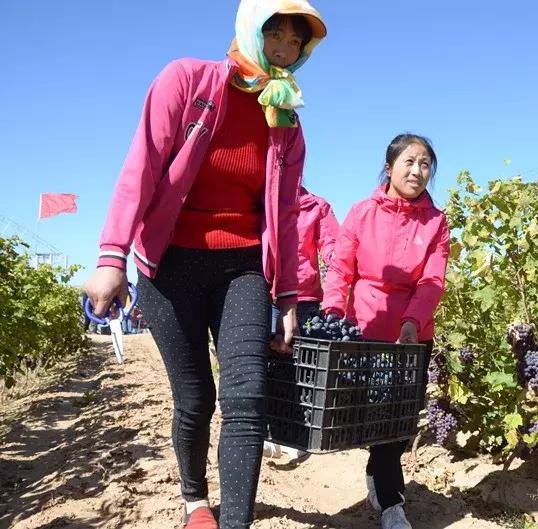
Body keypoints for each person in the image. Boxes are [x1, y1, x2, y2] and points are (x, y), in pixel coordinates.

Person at [82, 1, 326, 527]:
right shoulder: (186, 81)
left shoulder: (286, 121)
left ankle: (235, 520)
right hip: (168, 265)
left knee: (247, 395)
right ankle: (195, 499)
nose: (283, 47)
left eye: (294, 41)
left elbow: (286, 215)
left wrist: (287, 297)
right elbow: (140, 166)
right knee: (195, 395)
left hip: (242, 268)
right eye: (274, 33)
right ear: (249, 30)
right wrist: (111, 257)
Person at [321, 134, 450, 529]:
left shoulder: (436, 222)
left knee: (397, 420)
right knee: (365, 412)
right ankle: (380, 479)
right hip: (364, 330)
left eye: (425, 163)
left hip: (411, 336)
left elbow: (432, 280)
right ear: (390, 165)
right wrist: (331, 311)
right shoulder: (362, 212)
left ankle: (391, 502)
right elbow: (342, 268)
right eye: (409, 161)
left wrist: (411, 322)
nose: (417, 170)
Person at [265, 184, 338, 459]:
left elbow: (334, 247)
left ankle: (297, 434)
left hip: (303, 298)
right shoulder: (261, 200)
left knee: (301, 368)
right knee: (265, 365)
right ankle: (269, 430)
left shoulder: (316, 207)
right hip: (263, 294)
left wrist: (344, 266)